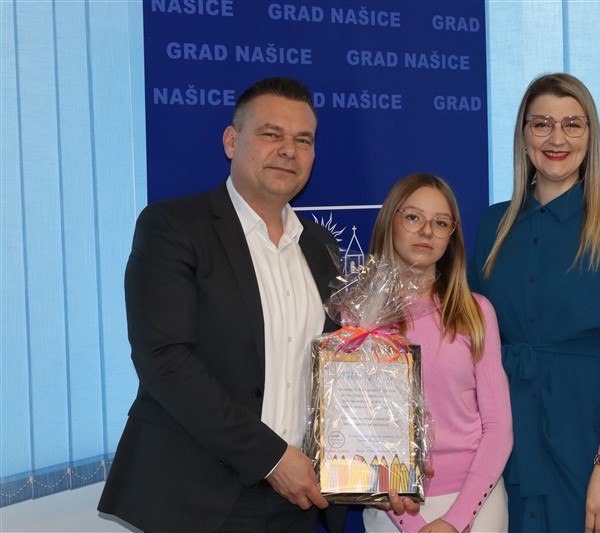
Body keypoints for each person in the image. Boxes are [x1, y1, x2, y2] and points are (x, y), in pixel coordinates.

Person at [98, 77, 416, 532]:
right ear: (232, 141)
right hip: (199, 499)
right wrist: (272, 459)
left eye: (303, 140)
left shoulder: (321, 246)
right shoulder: (173, 227)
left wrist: (380, 460)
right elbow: (163, 361)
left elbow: (340, 371)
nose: (288, 150)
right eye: (271, 134)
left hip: (300, 498)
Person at [468, 73, 600, 533]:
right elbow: (466, 334)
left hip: (589, 446)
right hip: (507, 446)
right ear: (524, 135)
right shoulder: (493, 225)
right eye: (542, 124)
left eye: (572, 124)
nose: (557, 139)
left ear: (590, 136)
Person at [363, 173, 513, 533]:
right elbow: (359, 432)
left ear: (452, 236)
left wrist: (455, 521)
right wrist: (410, 523)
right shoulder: (361, 319)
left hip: (475, 503)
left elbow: (498, 428)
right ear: (390, 222)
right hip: (392, 508)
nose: (427, 231)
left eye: (441, 223)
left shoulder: (476, 313)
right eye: (413, 217)